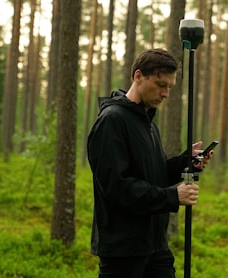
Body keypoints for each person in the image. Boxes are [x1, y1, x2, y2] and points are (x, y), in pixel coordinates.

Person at [87, 48, 213, 278]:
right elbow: (117, 187)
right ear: (138, 76)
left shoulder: (148, 123)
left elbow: (155, 174)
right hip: (123, 250)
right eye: (160, 84)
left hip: (154, 245)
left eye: (170, 87)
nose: (165, 93)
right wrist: (172, 197)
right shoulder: (112, 121)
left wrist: (187, 162)